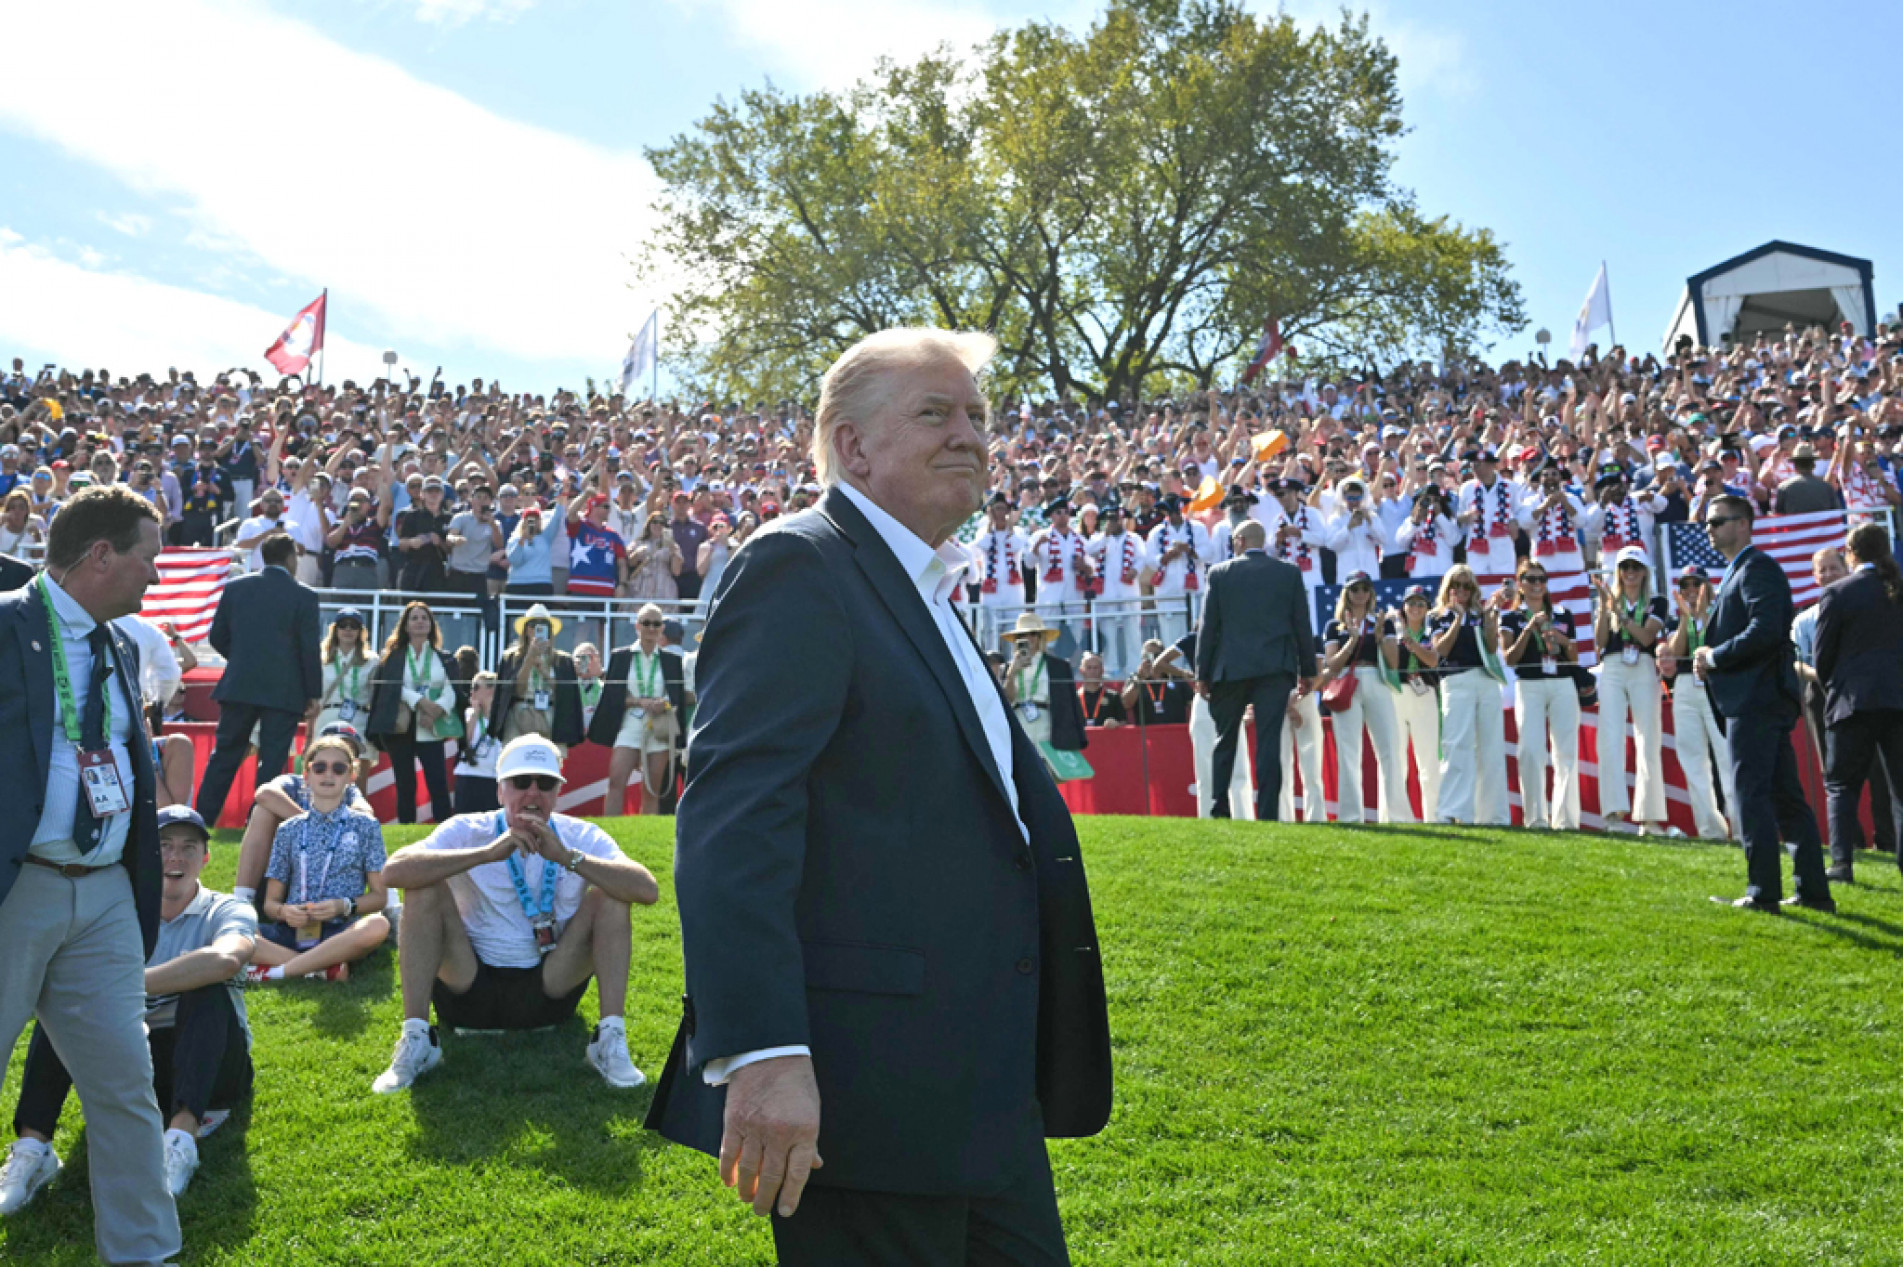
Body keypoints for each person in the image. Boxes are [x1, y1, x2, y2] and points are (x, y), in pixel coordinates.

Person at [644, 329, 1111, 1265]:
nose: (970, 434)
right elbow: (736, 818)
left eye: (977, 415)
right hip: (867, 1099)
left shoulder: (924, 589)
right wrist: (764, 1049)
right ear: (851, 447)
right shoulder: (800, 566)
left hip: (980, 1093)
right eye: (934, 412)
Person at [0, 484, 180, 1263]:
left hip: (104, 892)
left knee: (124, 1087)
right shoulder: (6, 624)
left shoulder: (122, 642)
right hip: (18, 889)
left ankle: (143, 1252)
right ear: (101, 555)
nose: (157, 577)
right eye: (147, 558)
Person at [0, 806, 255, 1212]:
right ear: (147, 856)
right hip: (132, 1058)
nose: (176, 858)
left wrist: (120, 989)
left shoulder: (225, 908)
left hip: (213, 1065)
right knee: (66, 1006)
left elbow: (227, 959)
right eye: (165, 846)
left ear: (205, 857)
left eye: (189, 847)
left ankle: (180, 1141)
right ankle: (34, 1148)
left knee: (207, 987)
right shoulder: (113, 914)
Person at [372, 736, 658, 1094]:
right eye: (521, 783)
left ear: (557, 792)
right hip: (468, 986)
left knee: (612, 895)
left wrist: (568, 858)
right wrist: (484, 854)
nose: (533, 794)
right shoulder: (468, 829)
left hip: (551, 987)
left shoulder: (578, 834)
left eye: (545, 784)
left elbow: (647, 890)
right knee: (423, 886)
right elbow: (393, 872)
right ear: (500, 791)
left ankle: (609, 1037)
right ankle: (417, 1038)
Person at [1691, 495, 1834, 913]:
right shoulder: (1742, 571)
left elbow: (1767, 629)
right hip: (1757, 698)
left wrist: (1715, 656)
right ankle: (1812, 890)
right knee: (1783, 795)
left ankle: (1763, 891)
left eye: (1717, 521)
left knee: (1752, 795)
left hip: (1756, 701)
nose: (1710, 529)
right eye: (1708, 522)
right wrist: (1712, 661)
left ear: (1744, 524)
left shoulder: (1758, 568)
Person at [194, 532, 323, 827]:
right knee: (273, 759)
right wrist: (312, 693)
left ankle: (201, 821)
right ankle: (261, 823)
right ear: (291, 558)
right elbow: (308, 648)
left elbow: (217, 637)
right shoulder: (304, 595)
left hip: (239, 685)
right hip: (285, 690)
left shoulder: (237, 588)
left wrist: (242, 659)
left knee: (224, 757)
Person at [243, 733, 390, 985]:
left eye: (339, 768)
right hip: (291, 929)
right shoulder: (288, 828)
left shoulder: (366, 825)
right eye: (319, 767)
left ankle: (280, 970)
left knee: (377, 925)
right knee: (234, 931)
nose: (328, 774)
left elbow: (379, 897)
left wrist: (343, 906)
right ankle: (321, 969)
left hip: (340, 930)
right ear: (306, 775)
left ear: (351, 776)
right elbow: (270, 903)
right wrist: (285, 911)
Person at [1195, 519, 1316, 822]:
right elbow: (1302, 624)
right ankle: (1268, 813)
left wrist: (1202, 673)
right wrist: (1307, 669)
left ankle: (1219, 808)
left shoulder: (1220, 573)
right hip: (1275, 667)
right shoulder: (1287, 573)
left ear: (1238, 542)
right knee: (1268, 741)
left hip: (1230, 669)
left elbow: (1208, 628)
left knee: (1225, 740)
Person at [1814, 521, 1903, 885]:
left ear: (1850, 554)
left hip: (1852, 702)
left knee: (1842, 786)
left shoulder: (1838, 593)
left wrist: (1837, 686)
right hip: (1898, 701)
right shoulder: (1897, 590)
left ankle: (1841, 864)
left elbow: (1822, 658)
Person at [1321, 571, 1410, 824]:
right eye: (1354, 589)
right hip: (1347, 683)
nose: (1360, 594)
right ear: (1346, 593)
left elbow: (1393, 663)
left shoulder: (1382, 621)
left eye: (1364, 588)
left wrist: (1381, 637)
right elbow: (1332, 664)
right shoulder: (1334, 625)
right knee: (1348, 751)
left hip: (1376, 678)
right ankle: (1350, 816)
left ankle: (1396, 815)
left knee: (1390, 748)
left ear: (1371, 592)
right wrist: (1352, 640)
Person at [1499, 558, 1582, 831]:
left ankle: (1566, 819)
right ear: (1520, 585)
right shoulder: (1510, 616)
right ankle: (1535, 818)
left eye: (1541, 579)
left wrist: (1562, 640)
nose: (1536, 584)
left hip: (1562, 682)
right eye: (1530, 579)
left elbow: (1574, 656)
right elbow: (1509, 659)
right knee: (1532, 750)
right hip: (1530, 684)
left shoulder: (1562, 613)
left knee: (1566, 751)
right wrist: (1529, 628)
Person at [368, 600, 467, 825]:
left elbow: (452, 688)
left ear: (432, 625)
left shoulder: (444, 657)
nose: (420, 622)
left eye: (425, 618)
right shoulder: (393, 656)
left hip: (432, 726)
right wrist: (420, 701)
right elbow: (393, 687)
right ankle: (406, 834)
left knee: (438, 783)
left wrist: (437, 709)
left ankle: (444, 832)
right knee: (406, 785)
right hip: (401, 726)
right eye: (414, 618)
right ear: (405, 626)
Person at [1592, 546, 1669, 834]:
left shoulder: (1656, 601)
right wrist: (1603, 608)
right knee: (1610, 737)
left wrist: (1621, 615)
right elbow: (1600, 640)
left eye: (1635, 567)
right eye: (1625, 567)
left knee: (1648, 738)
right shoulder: (1611, 600)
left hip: (1643, 664)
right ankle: (1613, 814)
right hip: (1612, 665)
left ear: (1644, 571)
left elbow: (1647, 636)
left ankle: (1649, 817)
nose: (1630, 573)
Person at [589, 603, 689, 816]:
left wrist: (664, 703)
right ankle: (611, 833)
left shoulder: (672, 660)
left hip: (659, 724)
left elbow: (676, 695)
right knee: (617, 780)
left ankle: (646, 836)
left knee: (652, 789)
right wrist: (639, 702)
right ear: (637, 626)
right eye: (646, 623)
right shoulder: (621, 656)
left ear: (662, 628)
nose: (651, 628)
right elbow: (612, 697)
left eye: (656, 624)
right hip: (629, 722)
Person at [1430, 565, 1510, 826]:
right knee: (1457, 745)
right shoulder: (1439, 616)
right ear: (1448, 588)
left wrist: (1490, 619)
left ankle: (1493, 815)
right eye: (1457, 585)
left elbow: (1490, 646)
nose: (1462, 590)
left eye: (1467, 586)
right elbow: (1442, 649)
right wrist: (1457, 619)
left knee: (1491, 747)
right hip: (1456, 680)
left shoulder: (1480, 613)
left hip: (1485, 679)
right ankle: (1451, 811)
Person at [1661, 567, 1735, 842]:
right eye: (1686, 585)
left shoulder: (1720, 613)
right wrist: (1685, 619)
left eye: (1697, 584)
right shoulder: (1676, 617)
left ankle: (1740, 826)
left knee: (1726, 756)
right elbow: (1675, 652)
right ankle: (1710, 830)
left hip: (1716, 686)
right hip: (1685, 687)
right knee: (1693, 760)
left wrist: (1702, 614)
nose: (1691, 590)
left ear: (1707, 586)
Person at [490, 603, 586, 748]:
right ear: (526, 630)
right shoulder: (511, 658)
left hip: (551, 717)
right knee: (517, 767)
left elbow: (567, 696)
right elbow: (515, 691)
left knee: (548, 766)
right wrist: (528, 661)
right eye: (533, 625)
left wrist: (545, 673)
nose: (537, 629)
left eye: (544, 625)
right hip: (518, 716)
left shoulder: (563, 661)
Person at [1386, 584, 1442, 822]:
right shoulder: (1392, 629)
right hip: (1397, 692)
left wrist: (1412, 644)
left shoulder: (1433, 631)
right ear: (1403, 606)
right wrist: (1397, 633)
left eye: (1421, 603)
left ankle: (1435, 816)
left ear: (1428, 608)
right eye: (1411, 603)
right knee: (1396, 758)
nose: (1416, 608)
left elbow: (1432, 661)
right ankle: (1394, 816)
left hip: (1424, 692)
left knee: (1428, 759)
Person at [1000, 612, 1088, 760]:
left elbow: (1071, 703)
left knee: (1048, 774)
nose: (1028, 638)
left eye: (1033, 633)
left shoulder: (1058, 666)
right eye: (1022, 635)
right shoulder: (1008, 668)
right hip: (1019, 721)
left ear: (1040, 637)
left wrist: (1075, 735)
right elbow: (1006, 700)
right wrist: (1012, 673)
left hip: (1049, 723)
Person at [309, 607, 376, 766]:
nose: (348, 629)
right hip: (327, 717)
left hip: (359, 718)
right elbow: (313, 699)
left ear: (361, 631)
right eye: (343, 625)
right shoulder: (320, 659)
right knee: (325, 771)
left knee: (358, 778)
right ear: (335, 630)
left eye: (353, 626)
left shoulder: (372, 661)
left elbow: (376, 698)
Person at [454, 672, 504, 815]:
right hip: (469, 775)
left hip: (493, 778)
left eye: (476, 687)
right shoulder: (468, 714)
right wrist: (476, 713)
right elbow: (465, 742)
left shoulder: (502, 717)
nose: (471, 691)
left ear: (491, 690)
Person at [1076, 651, 1127, 729]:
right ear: (1081, 671)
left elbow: (1124, 722)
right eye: (1089, 668)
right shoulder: (1074, 698)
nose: (1092, 671)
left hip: (1106, 740)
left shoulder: (1113, 696)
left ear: (1102, 671)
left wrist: (1116, 724)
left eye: (1096, 668)